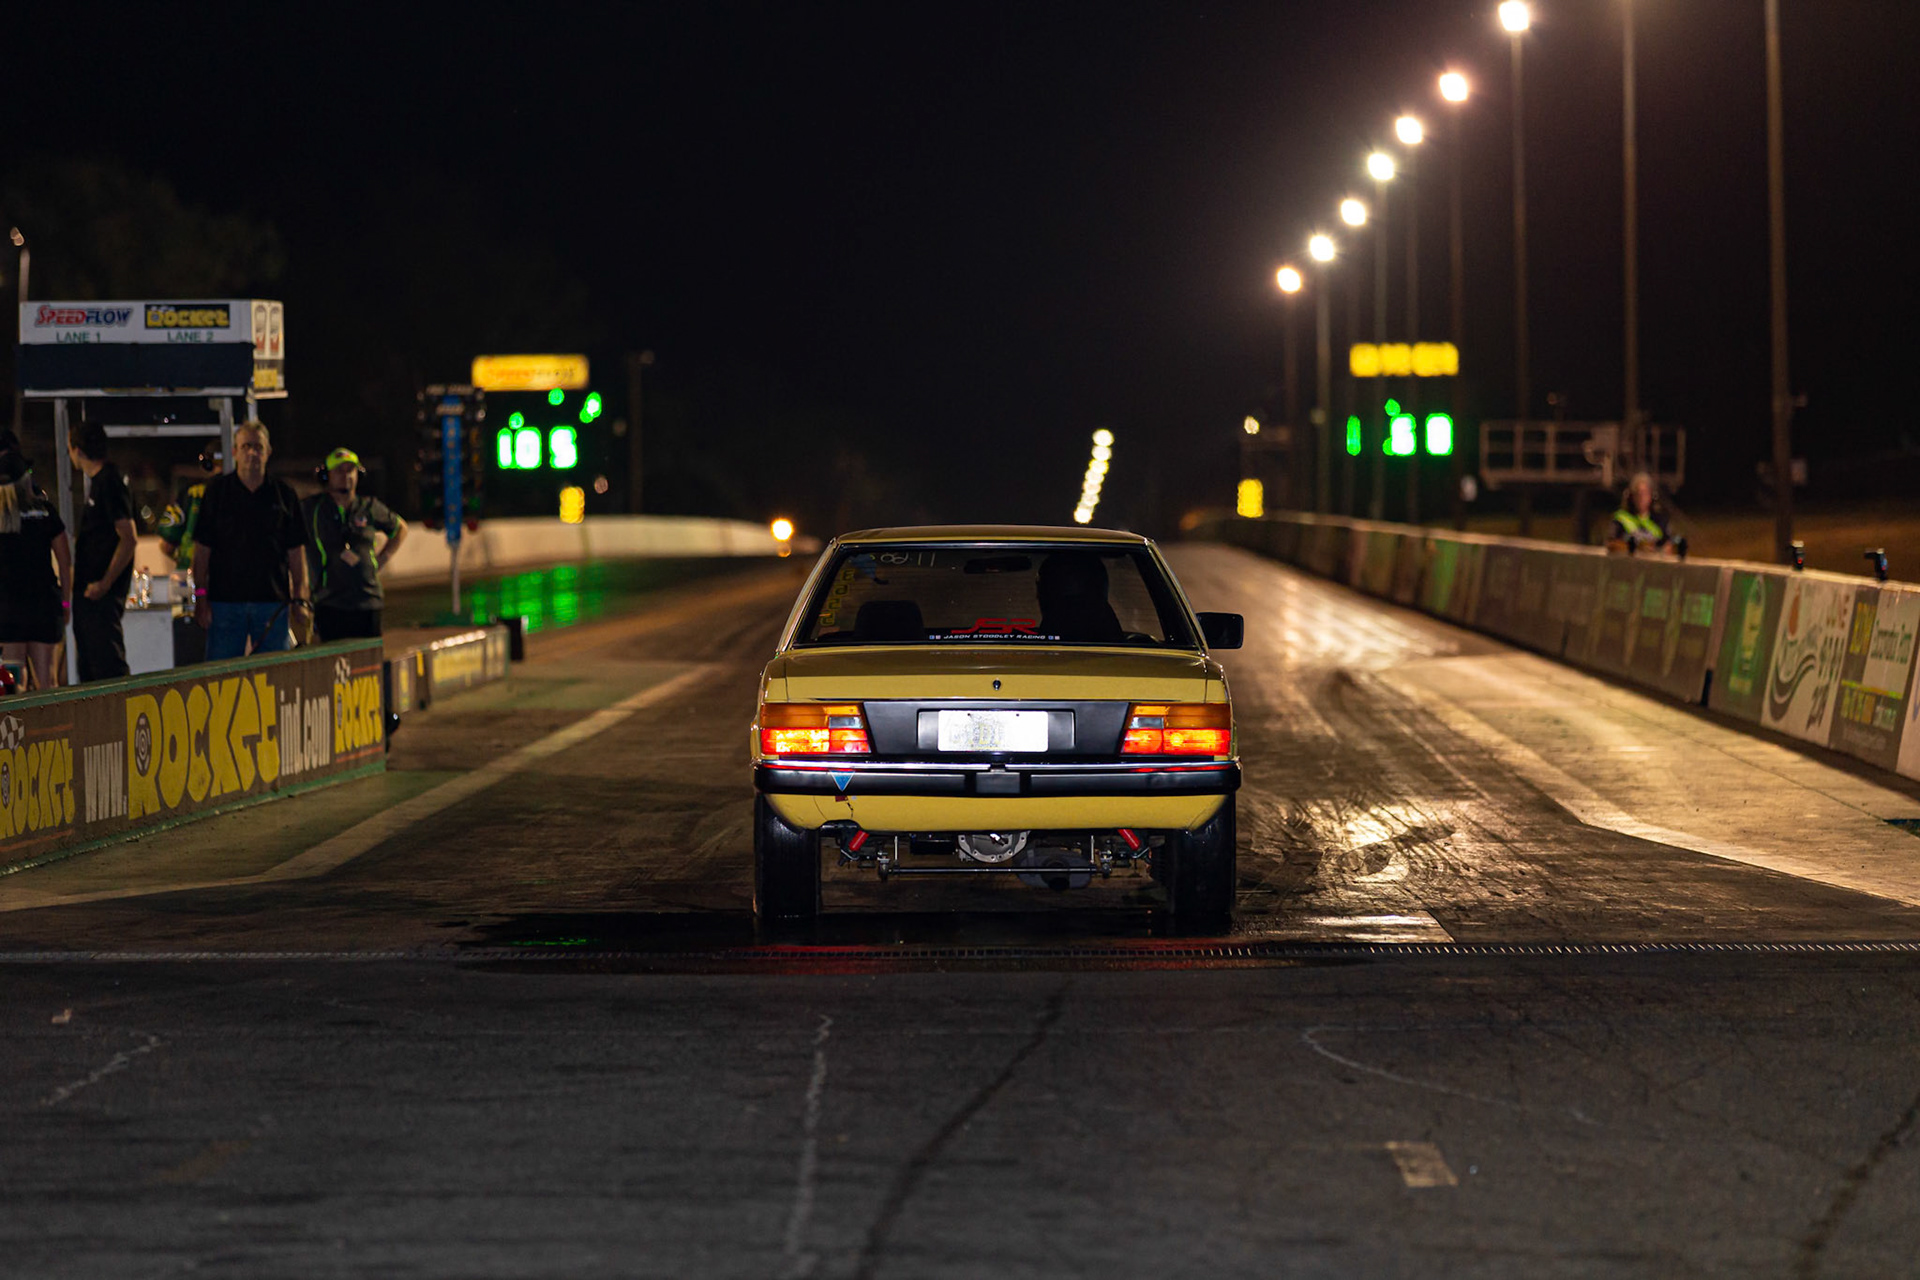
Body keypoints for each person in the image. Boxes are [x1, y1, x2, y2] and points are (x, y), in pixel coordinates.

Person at [191, 421, 310, 659]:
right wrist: (201, 596)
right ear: (234, 452)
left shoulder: (285, 494)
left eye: (258, 447)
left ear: (268, 452)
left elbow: (296, 552)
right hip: (224, 604)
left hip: (272, 604)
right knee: (222, 679)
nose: (252, 453)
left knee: (274, 679)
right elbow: (202, 551)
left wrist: (300, 597)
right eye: (246, 446)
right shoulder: (216, 492)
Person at [302, 447, 407, 640]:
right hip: (330, 603)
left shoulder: (369, 507)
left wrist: (382, 559)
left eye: (350, 470)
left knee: (370, 666)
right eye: (339, 471)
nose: (346, 476)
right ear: (326, 475)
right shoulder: (312, 509)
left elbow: (400, 528)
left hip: (368, 601)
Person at [68, 421, 138, 681]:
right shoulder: (98, 483)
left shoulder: (109, 481)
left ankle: (115, 717)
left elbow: (129, 538)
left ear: (77, 450)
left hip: (100, 596)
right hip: (91, 595)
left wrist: (105, 583)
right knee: (90, 665)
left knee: (108, 666)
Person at [0, 451, 72, 689]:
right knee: (47, 681)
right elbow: (64, 560)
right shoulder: (44, 511)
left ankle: (20, 727)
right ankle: (55, 726)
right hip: (43, 605)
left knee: (13, 682)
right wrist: (65, 603)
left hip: (8, 607)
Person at [1606, 471, 1674, 556]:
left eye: (1645, 493)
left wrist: (1658, 551)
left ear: (1651, 496)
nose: (1641, 498)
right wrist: (1637, 547)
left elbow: (1669, 546)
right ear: (1631, 496)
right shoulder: (1621, 518)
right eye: (1638, 494)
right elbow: (1611, 545)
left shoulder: (1661, 520)